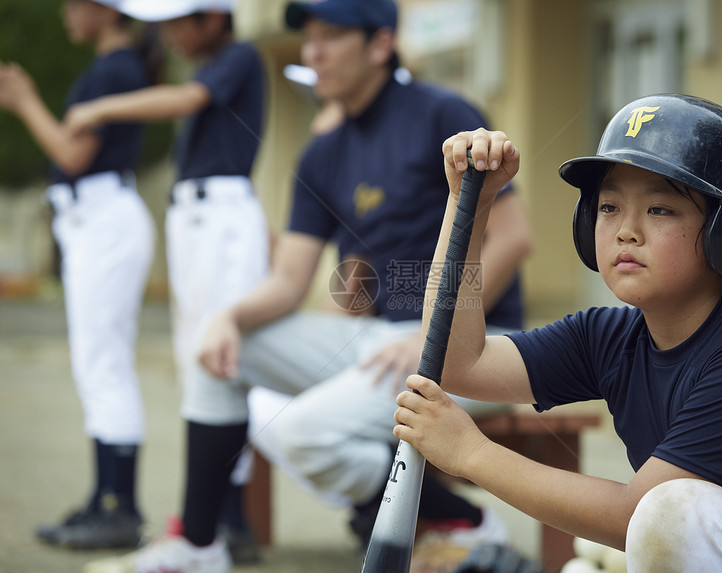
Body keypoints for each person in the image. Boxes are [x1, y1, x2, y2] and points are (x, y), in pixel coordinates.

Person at [83, 0, 533, 571]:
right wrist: (230, 317)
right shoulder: (324, 149)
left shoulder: (441, 113)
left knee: (300, 432)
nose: (312, 51)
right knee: (216, 347)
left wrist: (433, 336)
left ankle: (463, 524)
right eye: (309, 38)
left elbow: (514, 238)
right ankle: (199, 544)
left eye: (330, 36)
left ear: (379, 45)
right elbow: (290, 277)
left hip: (476, 344)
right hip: (381, 340)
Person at [393, 95, 722, 570]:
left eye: (661, 209)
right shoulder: (609, 335)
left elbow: (635, 515)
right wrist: (468, 207)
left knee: (673, 511)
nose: (626, 230)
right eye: (608, 207)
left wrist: (471, 453)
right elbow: (461, 363)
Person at [64, 0, 269, 564]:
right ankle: (209, 517)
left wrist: (98, 109)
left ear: (215, 18)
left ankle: (229, 518)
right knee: (196, 360)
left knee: (224, 360)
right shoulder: (210, 64)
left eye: (183, 21)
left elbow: (187, 99)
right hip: (195, 219)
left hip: (223, 217)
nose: (172, 34)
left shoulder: (239, 55)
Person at [0, 0, 159, 550]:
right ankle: (104, 497)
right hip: (95, 219)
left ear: (108, 9)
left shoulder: (117, 68)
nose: (64, 13)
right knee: (96, 365)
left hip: (104, 218)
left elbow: (70, 154)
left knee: (104, 365)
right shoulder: (113, 66)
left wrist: (23, 99)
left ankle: (118, 506)